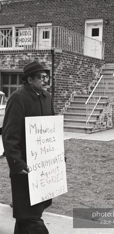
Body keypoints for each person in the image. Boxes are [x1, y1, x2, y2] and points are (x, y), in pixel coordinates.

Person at [2, 61, 55, 234]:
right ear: (30, 80)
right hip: (25, 168)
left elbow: (51, 130)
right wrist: (17, 163)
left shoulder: (47, 98)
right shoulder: (18, 98)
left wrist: (57, 155)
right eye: (41, 77)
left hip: (42, 166)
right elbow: (10, 134)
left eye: (46, 77)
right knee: (29, 215)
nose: (44, 80)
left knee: (28, 214)